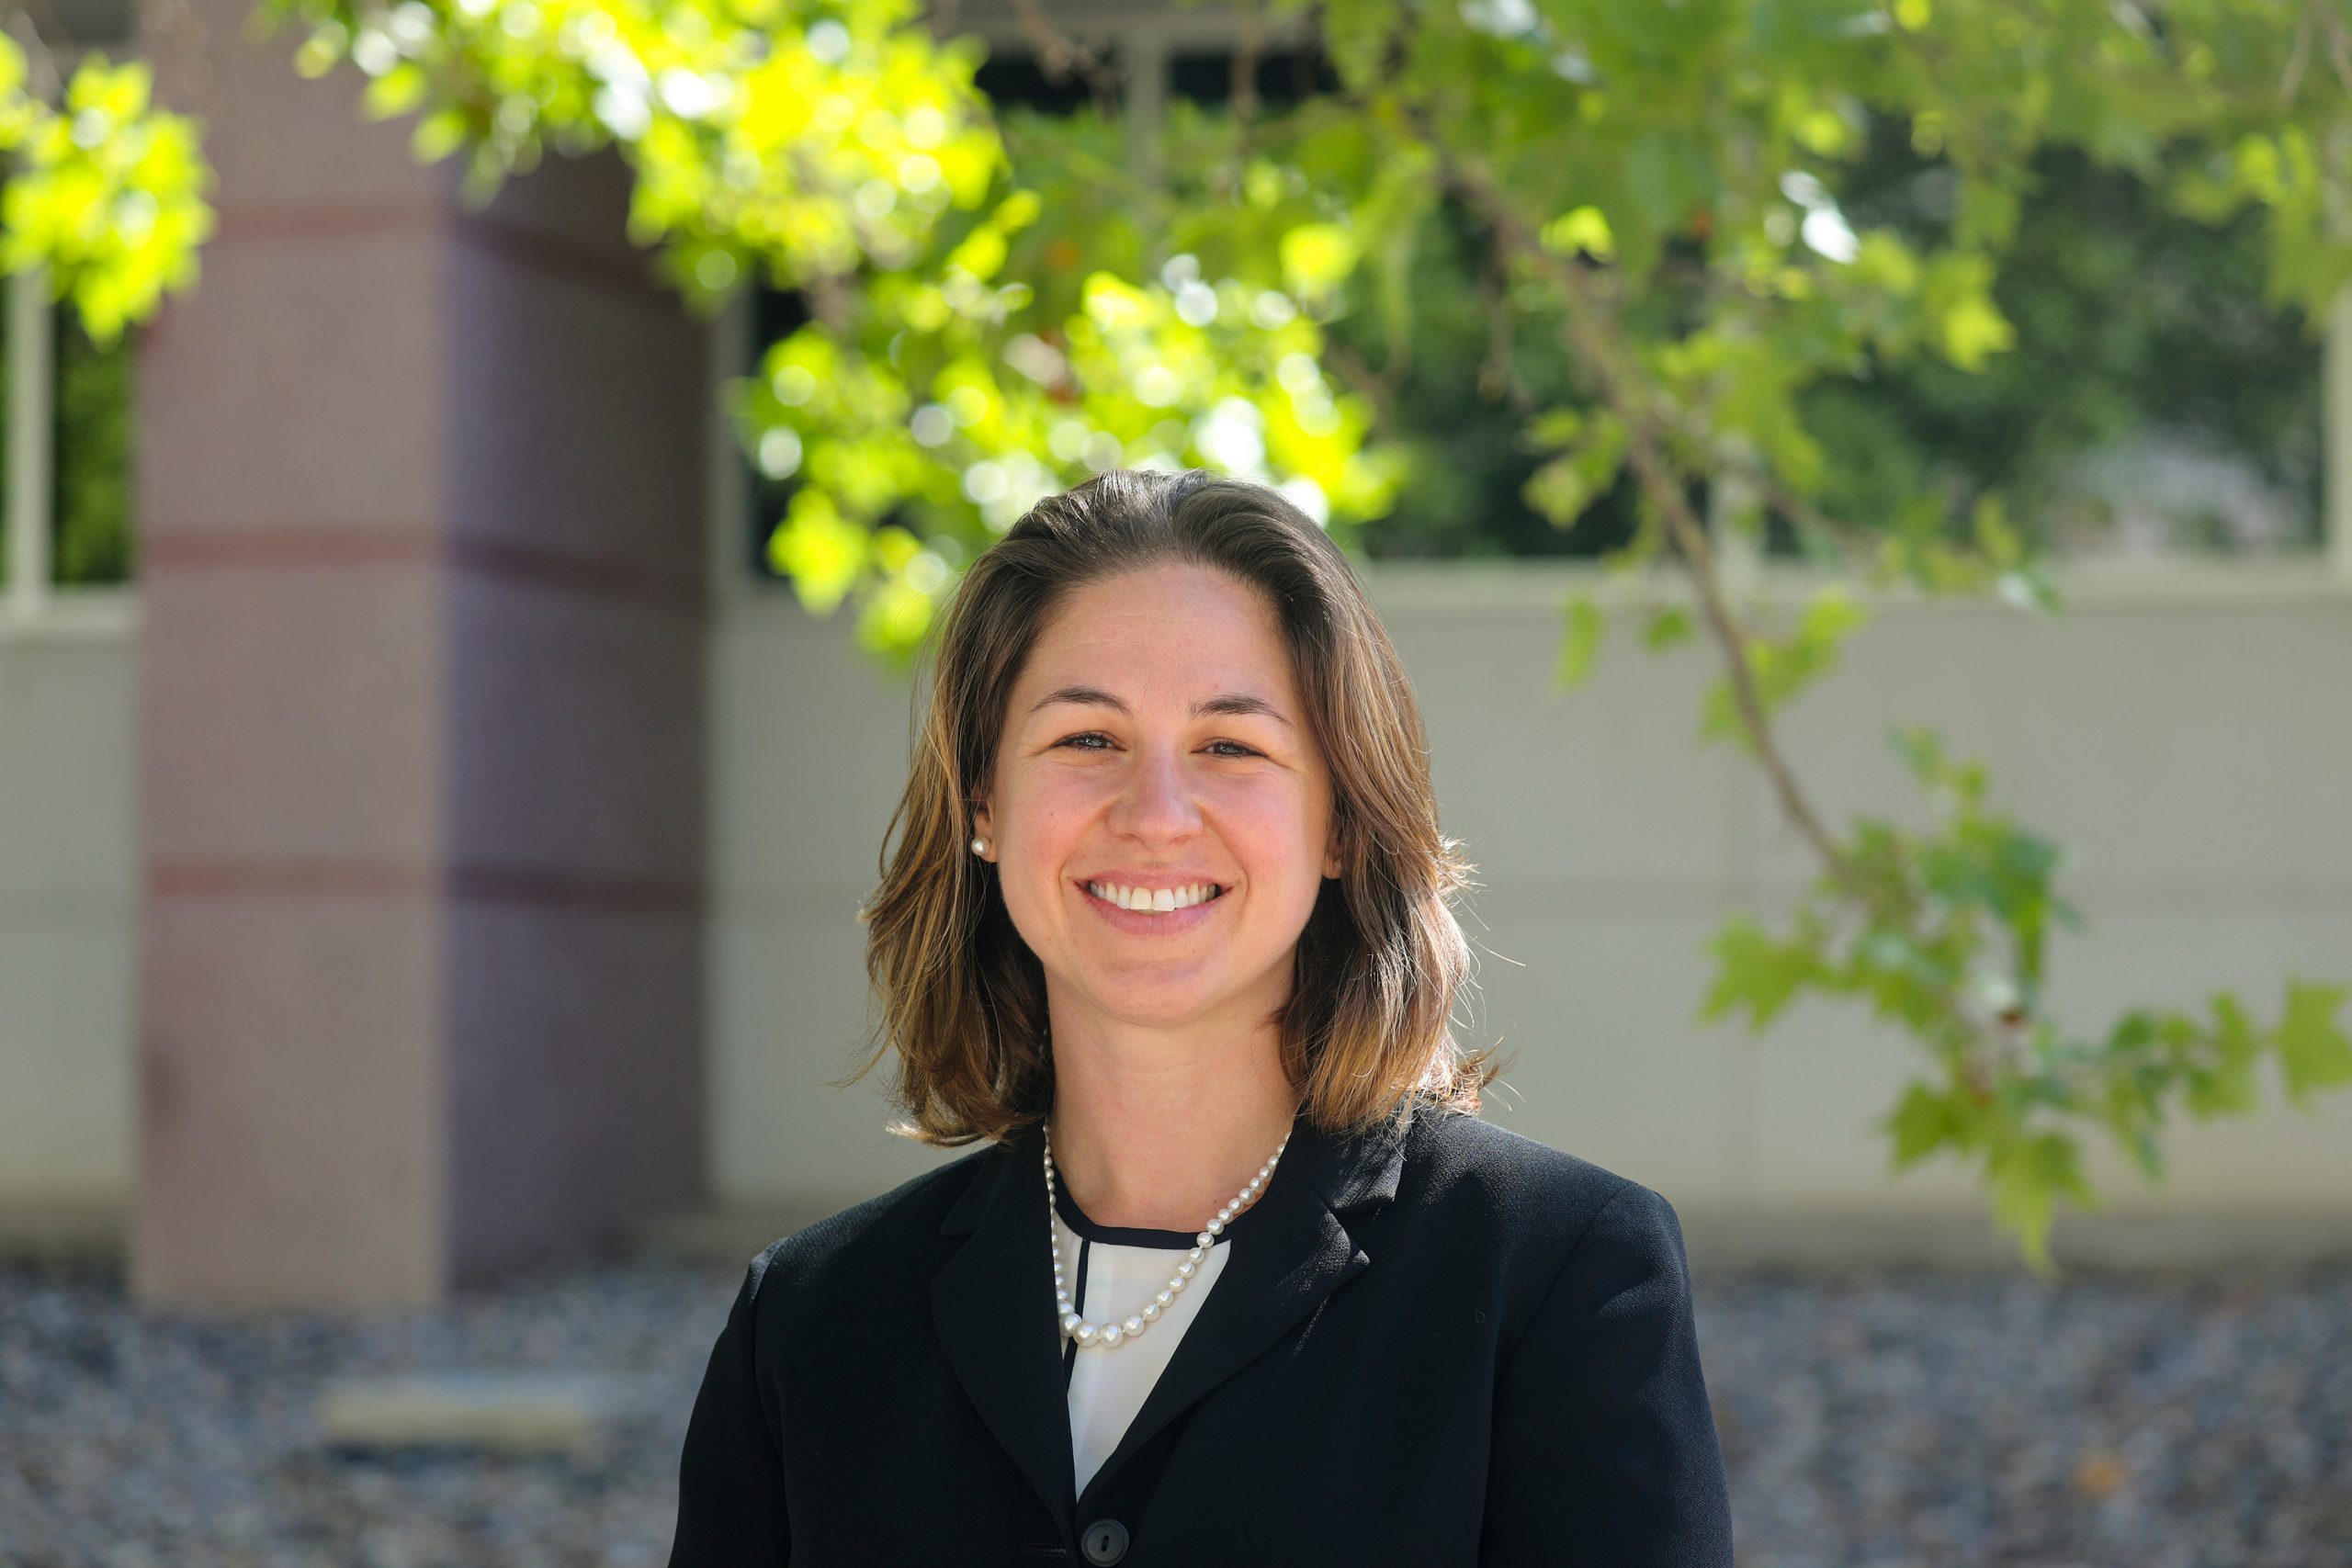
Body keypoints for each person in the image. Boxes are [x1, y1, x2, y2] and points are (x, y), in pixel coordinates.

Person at [667, 468, 1735, 1565]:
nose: (1155, 816)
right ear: (985, 805)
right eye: (1087, 740)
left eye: (1230, 747)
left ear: (1338, 824)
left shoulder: (1556, 1276)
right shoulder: (811, 1320)